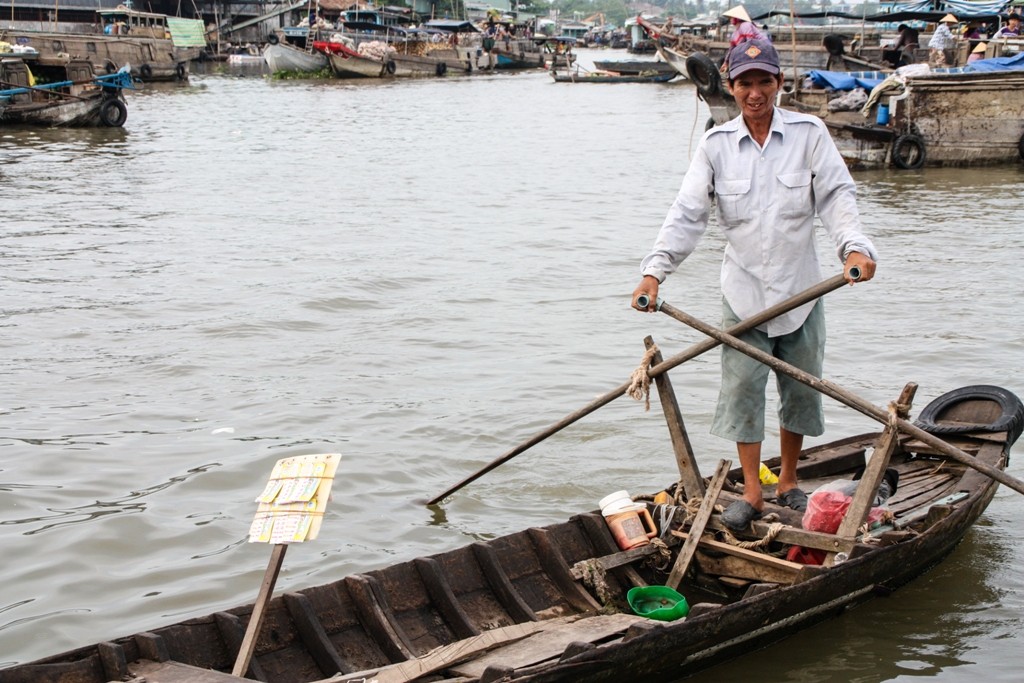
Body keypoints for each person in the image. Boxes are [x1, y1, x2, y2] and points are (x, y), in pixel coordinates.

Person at [631, 38, 877, 532]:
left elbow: (836, 196)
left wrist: (855, 248)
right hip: (742, 293)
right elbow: (688, 214)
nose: (756, 92)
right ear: (732, 86)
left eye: (765, 81)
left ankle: (788, 481)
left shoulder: (809, 134)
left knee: (801, 389)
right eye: (746, 83)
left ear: (778, 84)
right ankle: (752, 490)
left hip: (802, 290)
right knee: (743, 390)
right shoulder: (716, 146)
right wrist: (654, 272)